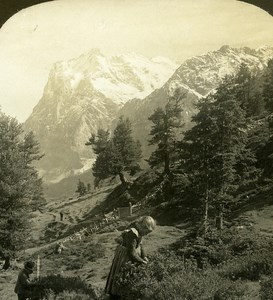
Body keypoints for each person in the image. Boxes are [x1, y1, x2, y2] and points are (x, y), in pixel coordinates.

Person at [105, 215, 156, 300]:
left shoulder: (139, 230)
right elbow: (131, 253)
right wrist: (142, 261)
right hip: (125, 257)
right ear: (143, 227)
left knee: (129, 277)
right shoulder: (133, 234)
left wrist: (144, 257)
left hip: (132, 256)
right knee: (121, 276)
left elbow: (140, 245)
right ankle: (116, 295)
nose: (146, 234)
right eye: (147, 232)